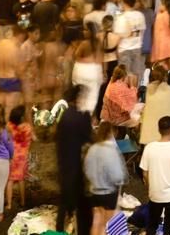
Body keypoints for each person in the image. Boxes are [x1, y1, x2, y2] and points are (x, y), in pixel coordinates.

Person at [56, 84, 96, 235]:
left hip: (64, 160)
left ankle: (60, 227)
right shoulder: (82, 116)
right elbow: (89, 137)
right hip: (78, 163)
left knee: (65, 197)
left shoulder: (65, 116)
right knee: (81, 198)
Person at [85, 121, 126, 235]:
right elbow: (117, 175)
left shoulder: (92, 149)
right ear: (111, 132)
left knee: (96, 222)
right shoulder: (111, 150)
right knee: (108, 224)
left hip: (94, 192)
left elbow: (87, 170)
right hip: (108, 193)